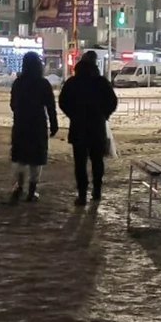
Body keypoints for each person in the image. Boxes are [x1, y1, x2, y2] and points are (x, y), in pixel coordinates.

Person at [59, 50, 118, 206]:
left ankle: (82, 195)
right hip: (96, 127)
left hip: (78, 128)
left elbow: (63, 102)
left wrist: (73, 114)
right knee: (97, 161)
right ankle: (97, 192)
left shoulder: (72, 82)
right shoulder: (101, 82)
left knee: (80, 163)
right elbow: (112, 101)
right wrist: (104, 115)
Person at [9, 52, 58, 203]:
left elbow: (12, 104)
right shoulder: (43, 84)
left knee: (20, 158)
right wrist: (54, 124)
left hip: (21, 124)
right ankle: (32, 191)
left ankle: (19, 187)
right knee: (36, 159)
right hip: (38, 125)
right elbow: (50, 106)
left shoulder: (18, 83)